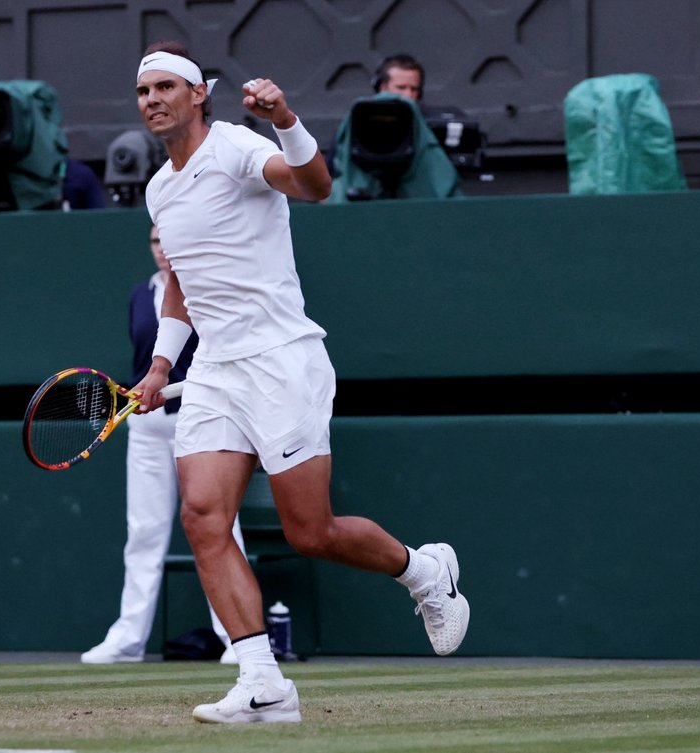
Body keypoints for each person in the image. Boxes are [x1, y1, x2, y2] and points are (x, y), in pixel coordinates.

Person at [132, 41, 470, 724]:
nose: (153, 100)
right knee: (202, 517)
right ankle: (262, 681)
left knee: (310, 531)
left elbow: (314, 186)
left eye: (166, 86)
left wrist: (284, 117)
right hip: (216, 371)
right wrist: (164, 364)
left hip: (282, 359)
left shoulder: (236, 147)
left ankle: (425, 571)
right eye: (144, 91)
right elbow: (181, 288)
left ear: (200, 94)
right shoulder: (158, 189)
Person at [81, 224, 247, 665]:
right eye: (155, 242)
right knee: (144, 532)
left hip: (204, 418)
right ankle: (128, 639)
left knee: (221, 525)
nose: (161, 250)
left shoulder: (208, 289)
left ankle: (238, 637)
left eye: (168, 241)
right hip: (148, 429)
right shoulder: (140, 295)